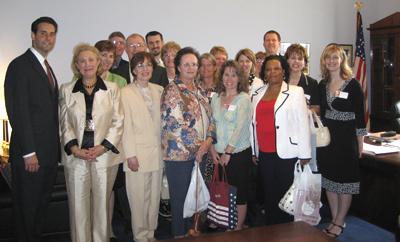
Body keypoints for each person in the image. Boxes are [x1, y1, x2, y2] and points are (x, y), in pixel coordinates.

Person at [59, 43, 124, 242]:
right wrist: (75, 149)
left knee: (101, 207)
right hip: (76, 158)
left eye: (91, 60)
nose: (87, 64)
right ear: (76, 65)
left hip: (104, 157)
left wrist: (103, 147)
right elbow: (64, 123)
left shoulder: (112, 89)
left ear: (98, 63)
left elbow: (118, 120)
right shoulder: (67, 89)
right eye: (82, 61)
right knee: (78, 207)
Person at [4, 16, 60, 242]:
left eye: (52, 34)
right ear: (33, 35)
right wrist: (29, 152)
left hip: (46, 155)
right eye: (43, 33)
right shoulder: (19, 65)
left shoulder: (45, 66)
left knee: (39, 209)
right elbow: (18, 111)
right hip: (30, 156)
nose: (48, 38)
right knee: (26, 212)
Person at [161, 47, 216, 238]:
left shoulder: (200, 91)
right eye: (186, 64)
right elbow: (175, 124)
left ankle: (191, 231)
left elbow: (211, 118)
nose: (191, 67)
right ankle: (178, 235)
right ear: (178, 67)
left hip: (201, 153)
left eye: (194, 64)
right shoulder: (172, 90)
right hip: (179, 156)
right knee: (180, 200)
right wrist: (198, 147)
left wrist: (208, 142)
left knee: (194, 197)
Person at [250, 55, 311, 225]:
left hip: (287, 152)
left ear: (283, 71)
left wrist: (305, 153)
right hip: (264, 152)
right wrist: (254, 150)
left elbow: (303, 124)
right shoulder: (257, 93)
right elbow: (253, 124)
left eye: (276, 68)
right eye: (268, 69)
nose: (272, 72)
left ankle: (287, 231)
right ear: (264, 73)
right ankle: (272, 229)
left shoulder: (295, 92)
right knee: (269, 194)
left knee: (286, 195)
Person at [317, 44, 367, 238]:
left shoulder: (353, 84)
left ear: (341, 60)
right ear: (324, 61)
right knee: (330, 181)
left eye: (335, 58)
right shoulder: (323, 84)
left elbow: (361, 117)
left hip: (346, 141)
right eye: (328, 58)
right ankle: (334, 217)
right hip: (328, 139)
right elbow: (320, 111)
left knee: (345, 181)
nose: (331, 61)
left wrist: (360, 143)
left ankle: (340, 220)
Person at [121, 51, 163, 242]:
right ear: (133, 70)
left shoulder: (159, 90)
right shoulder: (125, 92)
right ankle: (139, 236)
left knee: (154, 197)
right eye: (140, 66)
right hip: (136, 154)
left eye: (148, 65)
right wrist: (130, 154)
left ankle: (150, 233)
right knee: (138, 198)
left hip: (157, 153)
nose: (145, 69)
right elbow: (125, 126)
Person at [210, 60, 253, 230]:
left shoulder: (243, 99)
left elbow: (240, 128)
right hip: (218, 154)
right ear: (221, 77)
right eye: (226, 74)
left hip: (237, 154)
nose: (229, 78)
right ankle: (227, 222)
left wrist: (227, 152)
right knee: (225, 191)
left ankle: (238, 228)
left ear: (239, 78)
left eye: (234, 75)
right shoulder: (216, 98)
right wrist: (213, 149)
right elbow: (211, 124)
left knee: (239, 194)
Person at [284, 44, 319, 112]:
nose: (296, 61)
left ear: (305, 63)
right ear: (287, 60)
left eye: (300, 59)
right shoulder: (280, 81)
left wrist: (305, 113)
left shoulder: (312, 83)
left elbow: (317, 108)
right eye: (293, 58)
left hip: (303, 121)